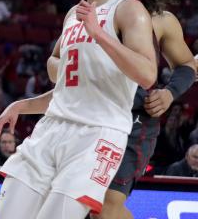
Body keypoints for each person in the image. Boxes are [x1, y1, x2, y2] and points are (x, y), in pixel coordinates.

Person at [0, 0, 184, 218]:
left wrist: (99, 33)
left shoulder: (129, 10)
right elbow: (74, 88)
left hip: (97, 137)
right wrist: (23, 105)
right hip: (52, 129)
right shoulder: (73, 13)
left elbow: (146, 74)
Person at [48, 14, 197, 219]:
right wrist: (75, 69)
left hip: (134, 121)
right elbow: (53, 60)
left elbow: (187, 64)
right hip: (89, 117)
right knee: (81, 202)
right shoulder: (89, 13)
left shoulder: (159, 19)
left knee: (106, 206)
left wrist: (170, 93)